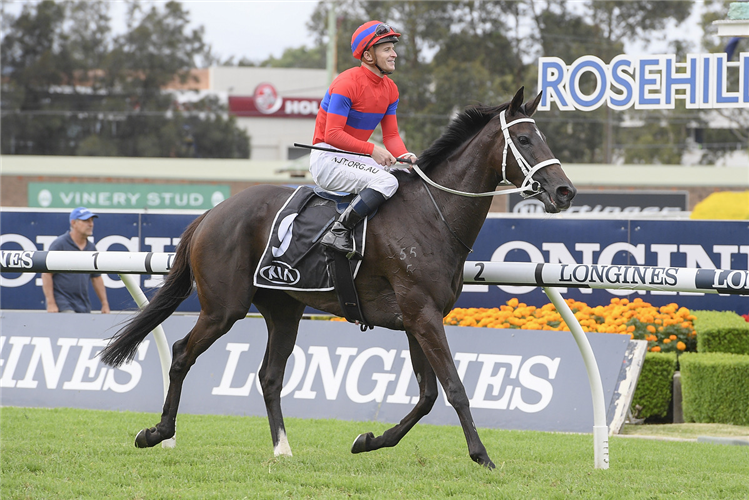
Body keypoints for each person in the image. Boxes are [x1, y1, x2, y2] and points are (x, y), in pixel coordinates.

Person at [310, 20, 418, 259]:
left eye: (393, 48)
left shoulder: (391, 89)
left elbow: (391, 135)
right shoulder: (346, 83)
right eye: (387, 49)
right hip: (328, 157)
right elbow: (333, 134)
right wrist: (372, 150)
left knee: (407, 178)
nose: (394, 54)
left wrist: (405, 156)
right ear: (368, 55)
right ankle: (338, 231)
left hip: (354, 157)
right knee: (388, 183)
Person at [42, 207, 110, 314]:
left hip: (83, 305)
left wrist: (105, 304)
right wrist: (51, 303)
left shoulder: (91, 248)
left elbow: (96, 278)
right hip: (62, 303)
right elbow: (46, 274)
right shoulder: (60, 244)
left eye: (91, 221)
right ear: (73, 223)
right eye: (86, 221)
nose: (91, 224)